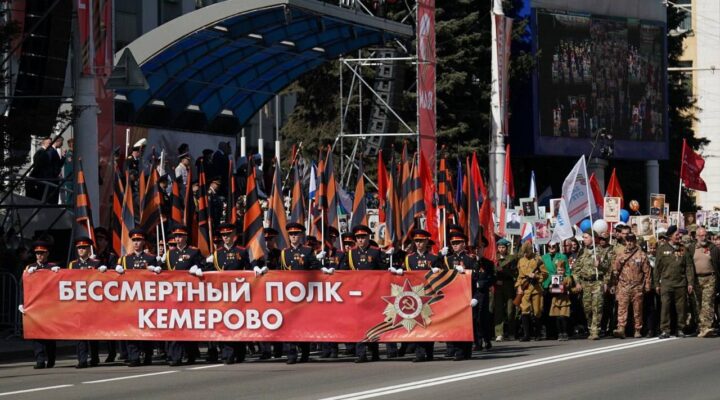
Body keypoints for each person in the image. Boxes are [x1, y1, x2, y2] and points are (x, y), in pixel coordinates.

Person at [207, 223, 252, 363]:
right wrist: (204, 266)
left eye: (228, 235)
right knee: (224, 323)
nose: (225, 237)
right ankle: (227, 353)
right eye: (223, 235)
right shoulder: (217, 253)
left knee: (237, 323)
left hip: (238, 293)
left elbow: (249, 269)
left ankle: (239, 352)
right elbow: (212, 273)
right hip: (222, 294)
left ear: (234, 236)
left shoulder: (242, 251)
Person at [116, 228, 159, 366]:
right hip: (130, 299)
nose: (136, 243)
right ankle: (133, 356)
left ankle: (147, 354)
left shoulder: (150, 258)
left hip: (146, 299)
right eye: (134, 240)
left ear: (143, 241)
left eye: (139, 240)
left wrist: (156, 270)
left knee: (146, 328)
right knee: (131, 328)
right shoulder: (125, 259)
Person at [346, 224, 388, 363]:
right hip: (357, 294)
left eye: (363, 237)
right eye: (358, 237)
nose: (360, 240)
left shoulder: (375, 252)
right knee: (358, 323)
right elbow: (344, 272)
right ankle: (361, 354)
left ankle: (374, 352)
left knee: (372, 323)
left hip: (372, 293)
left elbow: (383, 271)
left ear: (368, 237)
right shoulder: (351, 253)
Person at [280, 222, 320, 364]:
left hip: (304, 294)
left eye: (296, 234)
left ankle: (305, 353)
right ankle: (291, 354)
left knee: (302, 325)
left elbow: (315, 267)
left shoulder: (307, 251)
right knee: (289, 325)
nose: (293, 236)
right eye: (291, 234)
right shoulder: (284, 253)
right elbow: (280, 272)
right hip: (288, 295)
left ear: (301, 235)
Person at [165, 225, 205, 366]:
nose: (178, 239)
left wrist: (197, 268)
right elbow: (165, 271)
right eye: (176, 236)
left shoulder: (193, 252)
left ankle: (191, 353)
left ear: (186, 237)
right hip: (174, 294)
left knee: (188, 325)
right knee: (176, 325)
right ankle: (175, 356)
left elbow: (204, 266)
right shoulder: (170, 254)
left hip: (190, 294)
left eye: (180, 236)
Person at [402, 229, 441, 362]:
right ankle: (419, 353)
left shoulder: (433, 258)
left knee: (429, 324)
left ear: (426, 241)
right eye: (417, 241)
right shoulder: (409, 258)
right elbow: (406, 276)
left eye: (421, 241)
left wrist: (437, 271)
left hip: (429, 295)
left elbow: (441, 277)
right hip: (415, 295)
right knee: (417, 324)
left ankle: (429, 352)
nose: (419, 243)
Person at [22, 241, 61, 369]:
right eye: (37, 253)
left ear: (47, 254)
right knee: (36, 333)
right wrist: (22, 303)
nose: (39, 255)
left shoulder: (52, 267)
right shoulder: (30, 268)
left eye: (42, 253)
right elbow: (24, 286)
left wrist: (57, 273)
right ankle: (40, 360)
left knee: (49, 334)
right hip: (36, 305)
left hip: (50, 306)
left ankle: (51, 358)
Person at [655, 225, 695, 339]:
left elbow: (689, 267)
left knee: (681, 308)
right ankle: (665, 330)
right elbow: (657, 268)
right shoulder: (662, 249)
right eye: (676, 235)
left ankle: (680, 329)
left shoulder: (683, 249)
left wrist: (690, 282)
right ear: (670, 236)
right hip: (666, 283)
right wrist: (656, 284)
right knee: (665, 308)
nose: (679, 236)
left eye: (679, 234)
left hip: (680, 283)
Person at [443, 231, 478, 360]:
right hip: (453, 296)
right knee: (454, 324)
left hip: (466, 295)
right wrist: (440, 256)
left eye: (457, 243)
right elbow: (443, 275)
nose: (455, 245)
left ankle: (466, 351)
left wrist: (466, 272)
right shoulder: (448, 259)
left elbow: (477, 276)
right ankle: (457, 350)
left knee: (466, 324)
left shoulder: (470, 258)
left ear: (463, 244)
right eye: (453, 243)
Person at [68, 236, 102, 368]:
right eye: (79, 248)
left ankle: (94, 357)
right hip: (78, 303)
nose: (81, 250)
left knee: (93, 332)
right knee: (80, 332)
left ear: (89, 249)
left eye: (84, 248)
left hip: (92, 303)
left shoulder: (96, 264)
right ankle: (82, 359)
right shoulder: (73, 265)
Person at [573, 230, 611, 340]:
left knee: (597, 307)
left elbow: (608, 268)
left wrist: (600, 265)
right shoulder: (581, 252)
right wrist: (577, 282)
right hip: (585, 283)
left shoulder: (600, 251)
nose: (584, 240)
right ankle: (590, 327)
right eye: (583, 237)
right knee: (587, 308)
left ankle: (595, 331)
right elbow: (576, 269)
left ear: (592, 238)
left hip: (597, 282)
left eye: (586, 237)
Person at [611, 233, 651, 339]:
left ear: (635, 241)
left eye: (631, 240)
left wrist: (647, 285)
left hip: (637, 286)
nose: (629, 243)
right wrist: (614, 284)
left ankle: (637, 329)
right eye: (628, 240)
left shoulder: (641, 255)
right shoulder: (621, 254)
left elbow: (647, 272)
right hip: (624, 285)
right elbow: (615, 270)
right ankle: (621, 328)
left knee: (637, 310)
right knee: (622, 309)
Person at [689, 227, 719, 338]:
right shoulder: (691, 248)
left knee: (707, 303)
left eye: (705, 235)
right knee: (698, 304)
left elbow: (718, 264)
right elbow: (688, 265)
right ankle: (700, 327)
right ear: (696, 237)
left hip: (710, 278)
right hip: (697, 279)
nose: (704, 237)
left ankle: (706, 327)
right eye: (701, 235)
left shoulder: (713, 248)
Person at [515, 241, 547, 342]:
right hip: (525, 289)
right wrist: (519, 286)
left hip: (535, 288)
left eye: (527, 252)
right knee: (524, 310)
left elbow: (545, 274)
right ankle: (526, 335)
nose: (525, 254)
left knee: (537, 311)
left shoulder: (538, 259)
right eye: (524, 252)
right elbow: (519, 276)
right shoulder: (521, 261)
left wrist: (536, 276)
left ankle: (538, 334)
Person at [541, 241, 568, 339]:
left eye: (554, 246)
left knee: (558, 307)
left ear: (557, 247)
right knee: (548, 309)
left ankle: (561, 332)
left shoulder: (562, 257)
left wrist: (565, 282)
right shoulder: (543, 257)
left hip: (557, 282)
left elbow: (568, 271)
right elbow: (541, 271)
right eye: (549, 247)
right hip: (547, 283)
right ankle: (550, 333)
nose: (551, 248)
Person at [493, 238, 518, 342]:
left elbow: (514, 273)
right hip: (498, 287)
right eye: (499, 247)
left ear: (506, 248)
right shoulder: (495, 259)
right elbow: (491, 272)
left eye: (503, 247)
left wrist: (503, 271)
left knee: (510, 310)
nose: (501, 249)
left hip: (508, 286)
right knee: (498, 310)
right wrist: (496, 279)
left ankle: (511, 332)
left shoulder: (511, 258)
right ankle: (499, 333)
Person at [549, 259, 574, 341]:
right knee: (557, 318)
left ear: (564, 270)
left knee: (563, 317)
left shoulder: (567, 278)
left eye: (562, 270)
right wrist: (551, 288)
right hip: (556, 300)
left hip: (564, 300)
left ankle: (565, 333)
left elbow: (568, 286)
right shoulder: (554, 278)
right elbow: (552, 289)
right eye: (559, 270)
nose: (560, 272)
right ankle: (559, 333)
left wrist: (563, 285)